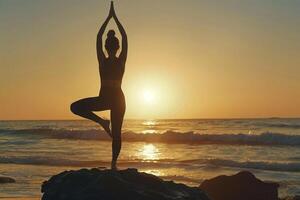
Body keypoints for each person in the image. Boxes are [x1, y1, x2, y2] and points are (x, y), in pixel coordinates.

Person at [70, 1, 127, 170]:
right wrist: (113, 18)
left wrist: (110, 18)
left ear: (110, 47)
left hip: (114, 98)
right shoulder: (116, 60)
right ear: (115, 47)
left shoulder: (111, 60)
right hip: (111, 97)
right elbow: (122, 37)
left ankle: (113, 164)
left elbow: (102, 37)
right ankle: (102, 123)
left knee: (117, 133)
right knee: (75, 107)